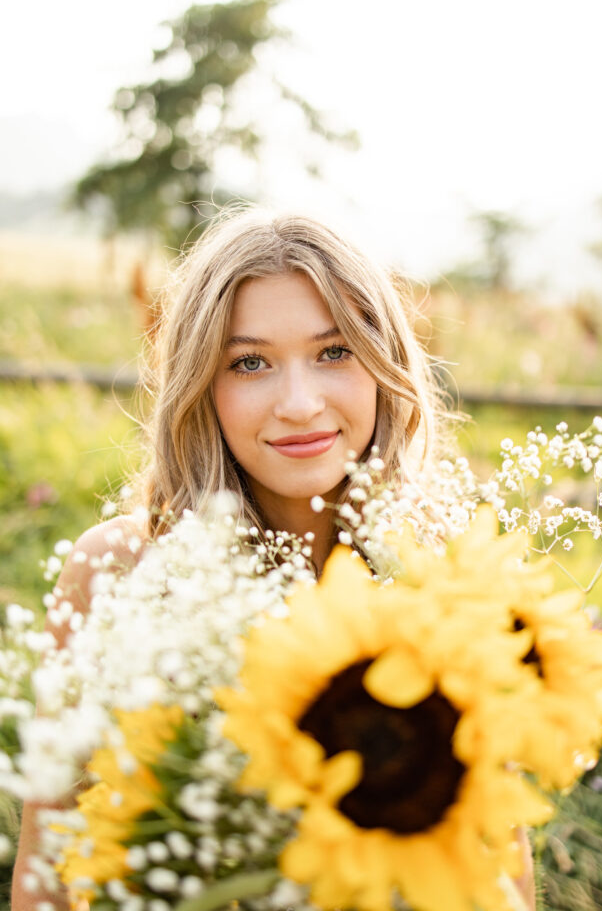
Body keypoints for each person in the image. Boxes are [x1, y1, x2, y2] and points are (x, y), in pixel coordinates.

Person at [12, 209, 535, 910]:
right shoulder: (118, 572)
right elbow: (46, 870)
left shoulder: (448, 570)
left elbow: (499, 868)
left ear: (386, 367)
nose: (298, 404)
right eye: (249, 362)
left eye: (334, 351)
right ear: (200, 381)